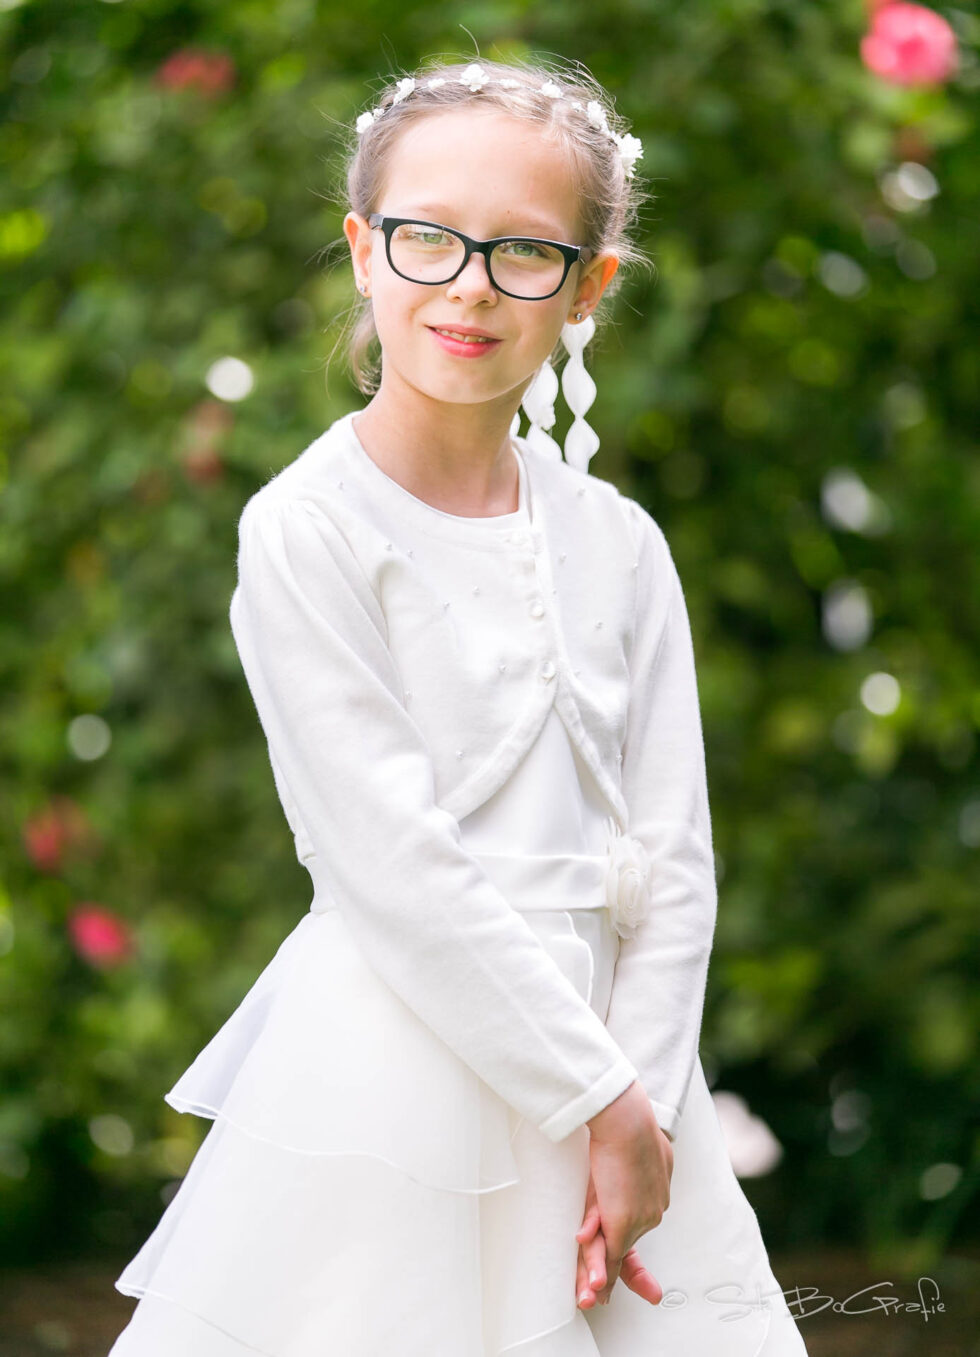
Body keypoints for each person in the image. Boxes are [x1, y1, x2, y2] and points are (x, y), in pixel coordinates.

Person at [107, 53, 809, 1357]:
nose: (471, 283)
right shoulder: (309, 530)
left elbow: (673, 862)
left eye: (525, 250)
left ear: (589, 285)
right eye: (429, 237)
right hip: (401, 1087)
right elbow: (395, 864)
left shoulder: (621, 543)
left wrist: (645, 1111)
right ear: (362, 247)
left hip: (628, 1099)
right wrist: (593, 1094)